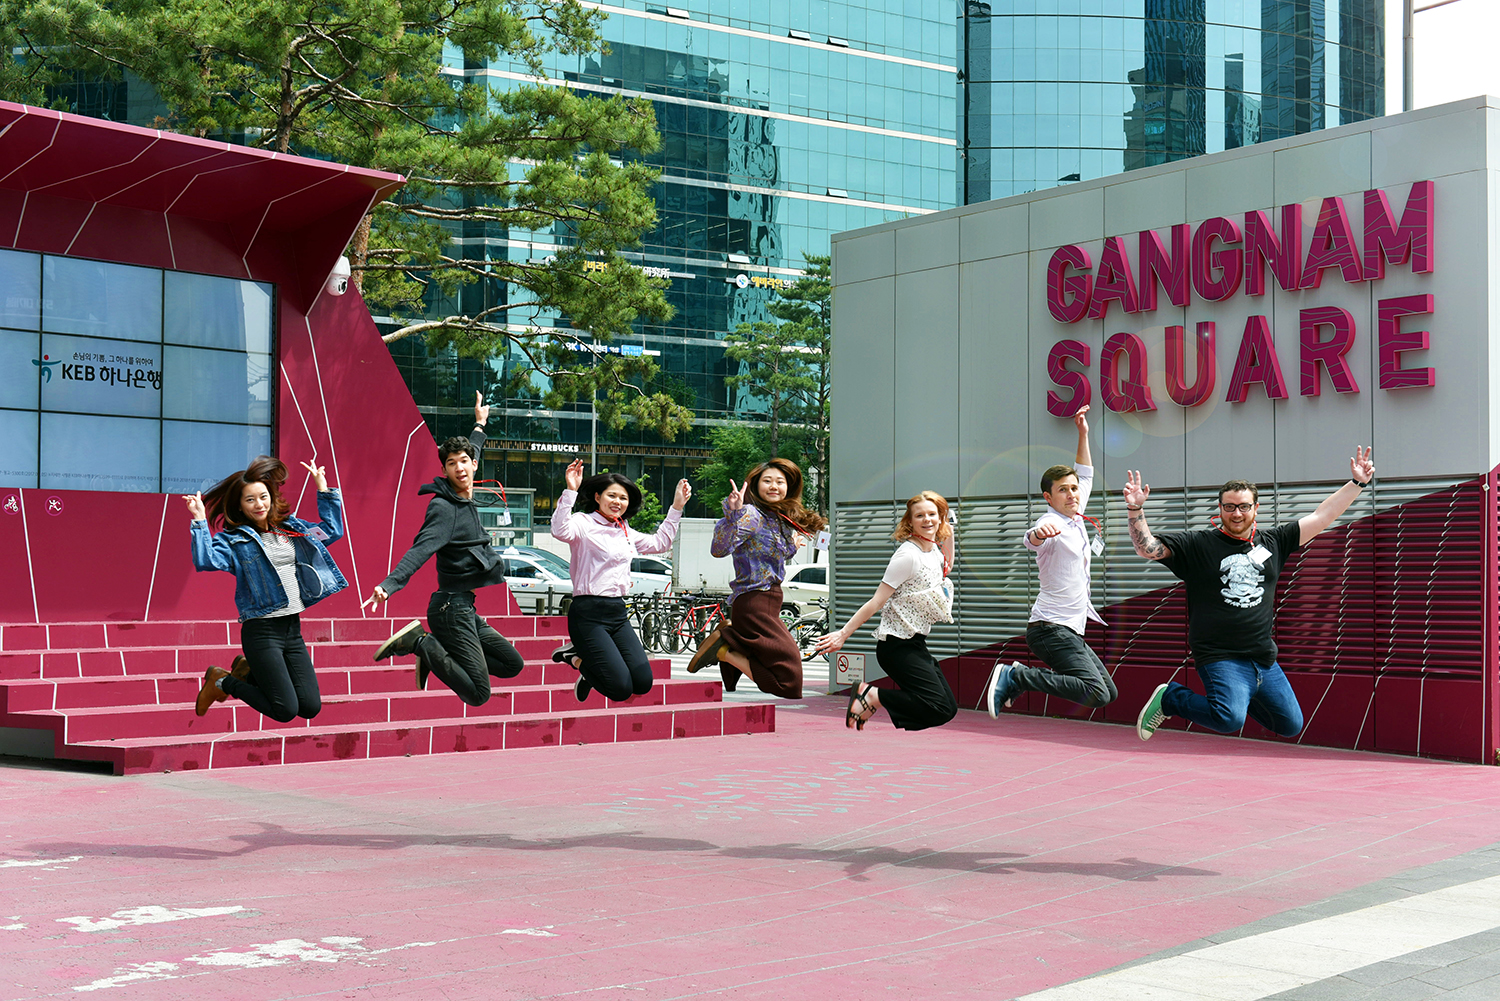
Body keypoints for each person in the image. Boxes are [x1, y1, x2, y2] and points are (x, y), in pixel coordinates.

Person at [1125, 446, 1376, 741]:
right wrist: (1135, 509)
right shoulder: (1198, 545)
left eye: (1244, 506)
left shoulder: (1274, 542)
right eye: (1229, 506)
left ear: (1256, 508)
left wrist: (1357, 483)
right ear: (1219, 509)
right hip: (1219, 655)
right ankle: (1172, 698)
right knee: (1227, 718)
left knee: (1289, 725)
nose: (1237, 513)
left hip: (1262, 657)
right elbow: (1147, 548)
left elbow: (1322, 517)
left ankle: (1238, 700)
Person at [363, 392, 525, 706]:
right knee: (479, 695)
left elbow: (474, 446)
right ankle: (421, 643)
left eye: (464, 461)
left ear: (474, 464)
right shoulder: (445, 508)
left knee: (512, 664)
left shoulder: (465, 488)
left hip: (465, 607)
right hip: (450, 609)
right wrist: (388, 585)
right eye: (451, 464)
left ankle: (437, 656)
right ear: (446, 470)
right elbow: (421, 548)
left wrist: (480, 424)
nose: (459, 468)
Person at [186, 457, 348, 720]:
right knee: (284, 710)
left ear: (271, 497)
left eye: (263, 497)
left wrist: (323, 488)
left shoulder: (290, 528)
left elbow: (331, 531)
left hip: (292, 629)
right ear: (239, 505)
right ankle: (222, 681)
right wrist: (200, 521)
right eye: (250, 500)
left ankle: (245, 671)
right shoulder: (235, 540)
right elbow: (206, 560)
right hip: (261, 632)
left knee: (309, 707)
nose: (259, 504)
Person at [985, 405, 1117, 716]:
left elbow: (1084, 472)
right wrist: (1038, 534)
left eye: (1073, 489)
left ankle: (1017, 678)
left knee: (1108, 692)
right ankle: (1016, 676)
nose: (1073, 494)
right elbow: (1030, 540)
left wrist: (1083, 434)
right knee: (1094, 691)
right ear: (1049, 497)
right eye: (1063, 490)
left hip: (1070, 628)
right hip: (1049, 628)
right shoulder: (1052, 524)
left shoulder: (1075, 512)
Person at [814, 491, 958, 732]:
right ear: (909, 521)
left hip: (916, 644)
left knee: (948, 709)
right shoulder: (907, 556)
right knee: (938, 706)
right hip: (896, 647)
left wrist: (950, 530)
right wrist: (843, 634)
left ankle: (872, 698)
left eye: (933, 515)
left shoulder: (933, 549)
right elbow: (876, 602)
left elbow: (948, 564)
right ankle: (872, 696)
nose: (927, 520)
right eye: (920, 515)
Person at [550, 460, 691, 702]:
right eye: (611, 496)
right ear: (597, 497)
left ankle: (588, 663)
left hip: (616, 611)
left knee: (643, 683)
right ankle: (576, 659)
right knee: (620, 689)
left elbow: (660, 543)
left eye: (623, 498)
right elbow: (559, 530)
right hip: (588, 613)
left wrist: (676, 507)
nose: (617, 502)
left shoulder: (624, 529)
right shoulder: (583, 523)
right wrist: (571, 490)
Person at [688, 458, 827, 697]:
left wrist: (791, 547)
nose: (774, 486)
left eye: (780, 482)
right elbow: (719, 549)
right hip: (754, 601)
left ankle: (732, 643)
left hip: (770, 601)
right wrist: (733, 515)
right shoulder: (750, 514)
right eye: (767, 481)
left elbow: (767, 554)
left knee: (780, 669)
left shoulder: (778, 518)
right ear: (755, 485)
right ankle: (726, 648)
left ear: (788, 487)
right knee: (789, 681)